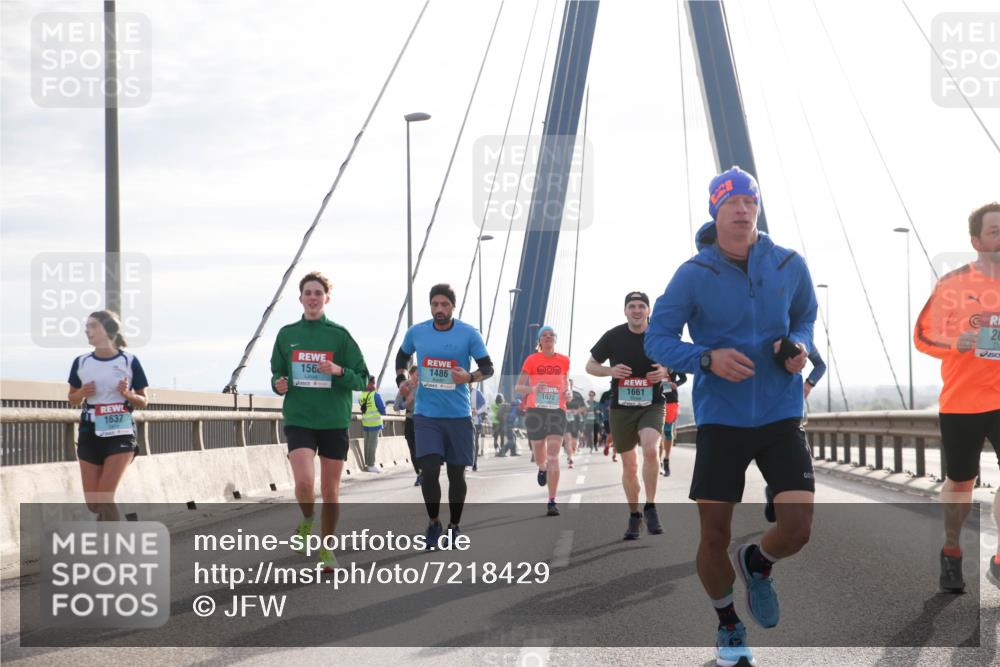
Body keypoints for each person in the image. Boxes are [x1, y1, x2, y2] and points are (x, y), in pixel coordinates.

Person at [645, 166, 818, 667]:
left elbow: (805, 316)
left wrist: (799, 346)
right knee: (714, 537)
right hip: (722, 419)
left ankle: (757, 562)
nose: (743, 210)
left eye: (750, 202)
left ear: (758, 208)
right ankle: (727, 625)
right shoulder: (692, 275)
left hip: (781, 412)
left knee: (798, 529)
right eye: (732, 203)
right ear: (715, 212)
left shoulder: (789, 263)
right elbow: (658, 339)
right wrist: (706, 358)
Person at [914, 201, 1000, 592]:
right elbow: (922, 336)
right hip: (963, 402)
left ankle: (999, 560)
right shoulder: (953, 285)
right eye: (995, 231)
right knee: (961, 484)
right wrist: (956, 342)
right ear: (976, 240)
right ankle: (952, 551)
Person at [271, 271, 369, 572]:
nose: (312, 298)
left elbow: (364, 379)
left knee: (330, 491)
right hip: (300, 417)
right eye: (307, 293)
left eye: (318, 293)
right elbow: (276, 374)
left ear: (326, 298)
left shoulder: (340, 336)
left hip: (333, 420)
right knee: (303, 482)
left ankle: (327, 548)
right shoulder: (287, 335)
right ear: (300, 298)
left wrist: (338, 371)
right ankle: (307, 519)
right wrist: (279, 384)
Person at [394, 284, 493, 549]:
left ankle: (454, 526)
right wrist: (403, 379)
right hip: (427, 416)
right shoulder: (417, 332)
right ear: (430, 306)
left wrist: (469, 377)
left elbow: (488, 367)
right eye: (435, 304)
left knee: (456, 475)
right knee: (428, 472)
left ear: (453, 306)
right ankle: (434, 522)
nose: (439, 309)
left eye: (444, 304)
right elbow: (402, 357)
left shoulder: (468, 333)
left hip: (458, 416)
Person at [587, 291, 669, 540]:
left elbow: (675, 360)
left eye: (641, 306)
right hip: (621, 409)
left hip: (651, 405)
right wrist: (611, 370)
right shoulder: (613, 336)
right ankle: (634, 515)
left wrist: (665, 371)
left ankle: (651, 506)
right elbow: (590, 366)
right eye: (632, 306)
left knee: (651, 450)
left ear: (648, 311)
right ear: (625, 310)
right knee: (630, 465)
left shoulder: (659, 335)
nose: (636, 310)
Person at [67, 310, 150, 522]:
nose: (87, 330)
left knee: (104, 497)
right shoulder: (81, 362)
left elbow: (143, 400)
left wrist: (127, 394)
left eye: (93, 325)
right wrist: (82, 393)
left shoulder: (129, 361)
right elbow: (72, 398)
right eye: (87, 326)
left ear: (108, 329)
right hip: (89, 432)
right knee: (94, 503)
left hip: (120, 433)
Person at [515, 326, 570, 516]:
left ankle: (552, 501)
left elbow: (566, 381)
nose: (547, 338)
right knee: (539, 451)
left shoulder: (564, 360)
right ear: (539, 341)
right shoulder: (531, 360)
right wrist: (533, 389)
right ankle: (541, 467)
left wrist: (568, 391)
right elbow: (519, 387)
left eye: (551, 336)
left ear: (555, 339)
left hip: (557, 411)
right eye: (544, 336)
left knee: (553, 455)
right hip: (535, 411)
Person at [396, 366, 422, 486]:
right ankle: (419, 474)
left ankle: (424, 473)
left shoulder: (424, 387)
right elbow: (396, 407)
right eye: (417, 374)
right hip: (410, 420)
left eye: (420, 374)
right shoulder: (405, 387)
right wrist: (408, 401)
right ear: (411, 374)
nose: (419, 377)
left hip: (423, 421)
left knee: (421, 449)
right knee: (413, 450)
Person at [660, 369, 688, 477]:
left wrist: (675, 384)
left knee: (667, 432)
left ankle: (666, 460)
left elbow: (684, 378)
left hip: (671, 401)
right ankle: (658, 461)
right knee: (657, 433)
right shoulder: (651, 358)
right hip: (655, 400)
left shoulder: (671, 359)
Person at [359, 375, 386, 473]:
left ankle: (367, 463)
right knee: (373, 445)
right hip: (375, 424)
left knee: (367, 444)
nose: (374, 385)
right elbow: (383, 410)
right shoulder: (375, 395)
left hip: (366, 423)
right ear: (369, 384)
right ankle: (371, 465)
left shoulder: (361, 395)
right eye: (373, 383)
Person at [564, 384, 586, 469]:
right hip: (565, 420)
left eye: (570, 383)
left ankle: (572, 454)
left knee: (574, 443)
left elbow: (584, 408)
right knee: (568, 440)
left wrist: (577, 411)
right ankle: (570, 458)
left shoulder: (577, 394)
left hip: (576, 421)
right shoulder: (561, 394)